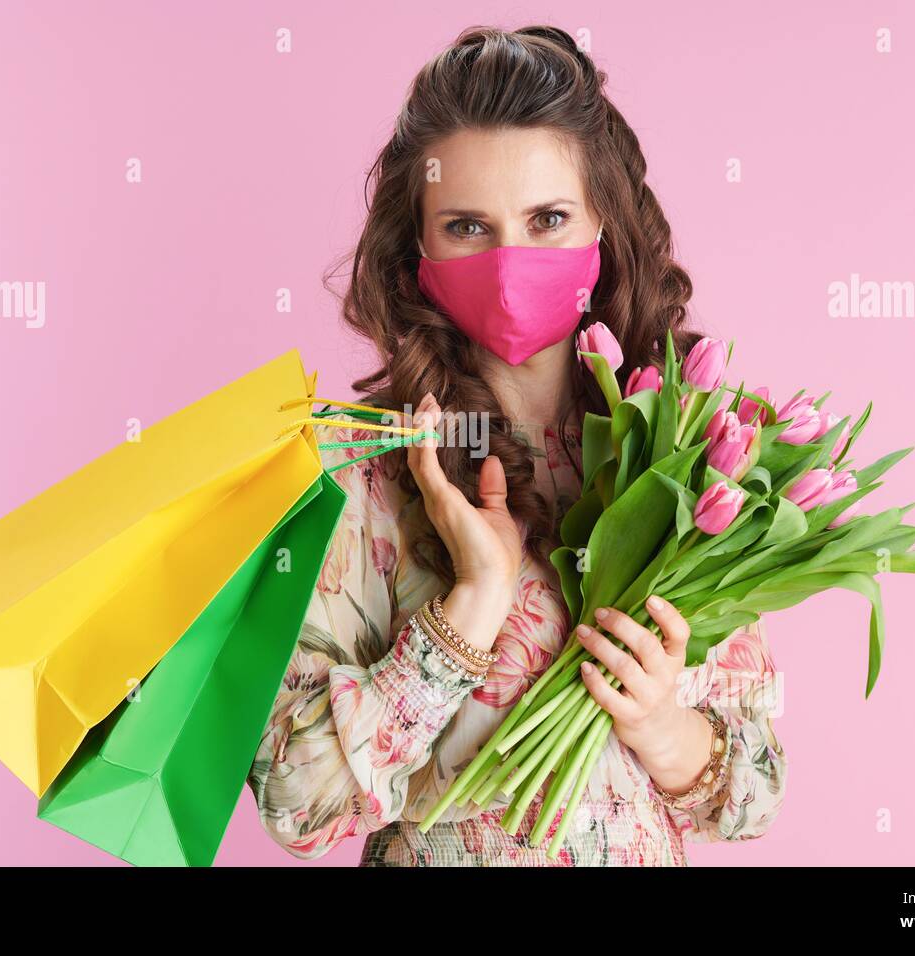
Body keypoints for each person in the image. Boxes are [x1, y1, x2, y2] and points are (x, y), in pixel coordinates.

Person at [246, 25, 785, 867]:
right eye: (467, 226)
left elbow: (753, 792)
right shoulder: (357, 477)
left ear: (603, 225)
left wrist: (660, 724)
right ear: (416, 246)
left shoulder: (682, 458)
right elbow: (297, 806)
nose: (509, 263)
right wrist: (471, 606)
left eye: (548, 219)